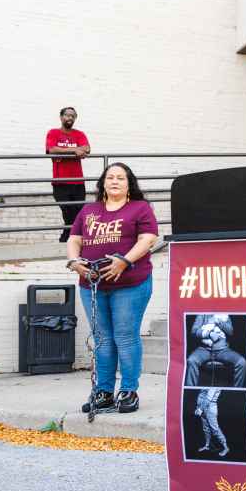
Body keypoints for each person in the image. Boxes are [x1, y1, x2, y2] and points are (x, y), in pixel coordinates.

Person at [67, 162, 157, 414]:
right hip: (92, 285)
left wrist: (124, 261)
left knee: (125, 337)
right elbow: (75, 239)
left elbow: (148, 239)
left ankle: (128, 391)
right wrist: (74, 261)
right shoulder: (89, 210)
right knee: (102, 339)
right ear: (103, 184)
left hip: (130, 284)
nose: (115, 181)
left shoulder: (140, 208)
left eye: (121, 178)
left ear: (129, 184)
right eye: (110, 177)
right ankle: (104, 392)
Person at [47, 106, 90, 243]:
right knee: (67, 211)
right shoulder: (53, 133)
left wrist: (67, 151)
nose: (70, 118)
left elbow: (87, 149)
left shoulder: (79, 134)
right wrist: (75, 150)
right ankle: (69, 238)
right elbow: (52, 149)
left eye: (73, 116)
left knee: (78, 212)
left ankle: (68, 239)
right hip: (60, 182)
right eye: (67, 115)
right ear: (61, 117)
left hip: (78, 182)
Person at [184, 314, 246, 388]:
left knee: (241, 362)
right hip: (204, 350)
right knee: (192, 360)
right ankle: (190, 391)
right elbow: (194, 331)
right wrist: (209, 334)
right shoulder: (202, 314)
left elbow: (230, 331)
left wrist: (218, 322)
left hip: (223, 350)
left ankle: (236, 391)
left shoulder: (224, 314)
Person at [195, 388, 229, 457]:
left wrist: (200, 409)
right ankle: (207, 445)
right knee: (206, 428)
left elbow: (208, 399)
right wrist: (198, 407)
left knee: (215, 429)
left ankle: (226, 448)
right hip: (203, 407)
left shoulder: (215, 383)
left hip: (209, 408)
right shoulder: (208, 380)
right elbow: (202, 394)